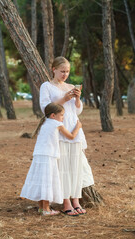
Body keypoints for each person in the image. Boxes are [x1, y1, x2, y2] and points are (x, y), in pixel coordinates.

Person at [40, 56, 94, 216]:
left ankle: (76, 200)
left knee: (75, 167)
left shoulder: (70, 86)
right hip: (59, 129)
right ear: (54, 69)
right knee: (62, 167)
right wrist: (64, 98)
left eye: (67, 71)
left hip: (75, 128)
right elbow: (46, 109)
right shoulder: (47, 86)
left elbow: (77, 111)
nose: (65, 74)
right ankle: (65, 202)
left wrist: (77, 98)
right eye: (62, 71)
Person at [20, 103, 82, 216]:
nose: (63, 117)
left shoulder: (44, 124)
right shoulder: (57, 124)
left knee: (41, 181)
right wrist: (78, 127)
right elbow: (72, 136)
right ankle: (46, 209)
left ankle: (41, 208)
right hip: (49, 156)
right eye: (62, 115)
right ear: (53, 115)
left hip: (39, 156)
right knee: (47, 182)